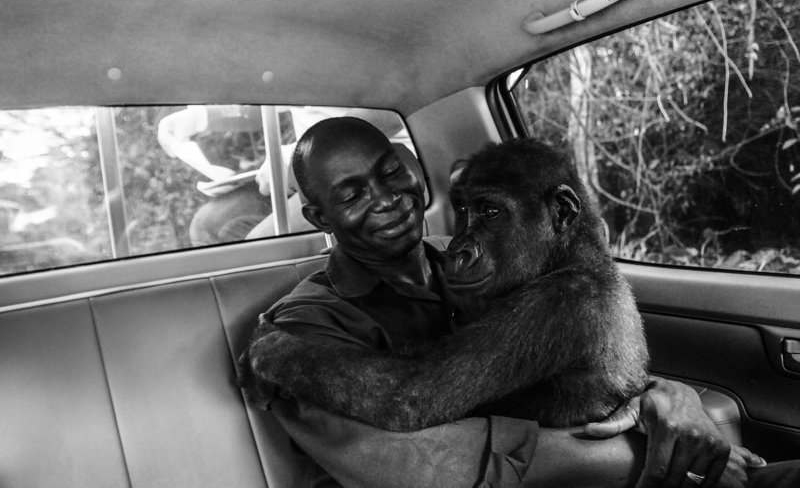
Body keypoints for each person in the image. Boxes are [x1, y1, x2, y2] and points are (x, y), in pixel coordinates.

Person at [241, 117, 791, 487]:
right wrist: (643, 454)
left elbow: (569, 366)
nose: (387, 198)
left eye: (391, 173)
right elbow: (415, 461)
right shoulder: (303, 326)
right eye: (353, 193)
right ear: (319, 218)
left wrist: (668, 397)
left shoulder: (476, 261)